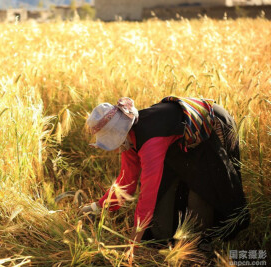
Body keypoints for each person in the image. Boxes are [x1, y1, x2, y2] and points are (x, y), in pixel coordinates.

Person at [80, 96, 250, 246]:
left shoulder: (149, 142)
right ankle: (170, 243)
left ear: (119, 133)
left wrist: (133, 242)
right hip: (178, 140)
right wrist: (97, 207)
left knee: (199, 197)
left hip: (209, 127)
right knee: (160, 223)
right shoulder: (129, 140)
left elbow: (148, 194)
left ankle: (199, 248)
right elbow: (126, 182)